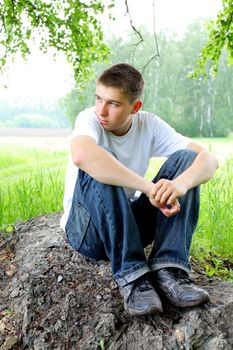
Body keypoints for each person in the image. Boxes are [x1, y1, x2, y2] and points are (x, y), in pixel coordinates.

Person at [60, 63, 218, 316]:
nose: (102, 110)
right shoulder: (88, 118)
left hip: (127, 224)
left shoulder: (149, 125)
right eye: (98, 98)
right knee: (100, 157)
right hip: (88, 231)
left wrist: (179, 185)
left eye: (113, 103)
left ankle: (169, 270)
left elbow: (208, 160)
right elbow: (81, 155)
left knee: (186, 160)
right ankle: (133, 277)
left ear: (135, 107)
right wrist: (150, 188)